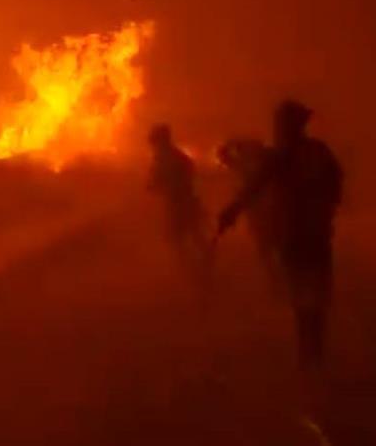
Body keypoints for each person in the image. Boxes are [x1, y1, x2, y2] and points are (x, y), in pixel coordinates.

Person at [219, 100, 343, 369]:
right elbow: (336, 184)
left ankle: (308, 355)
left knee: (302, 295)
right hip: (317, 234)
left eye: (280, 123)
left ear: (288, 126)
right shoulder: (319, 150)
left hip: (295, 234)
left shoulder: (282, 156)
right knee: (316, 293)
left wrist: (231, 211)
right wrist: (325, 210)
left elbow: (254, 186)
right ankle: (315, 352)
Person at [147, 124, 212, 284]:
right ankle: (204, 269)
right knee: (194, 237)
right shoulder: (179, 156)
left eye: (154, 142)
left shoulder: (165, 159)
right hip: (187, 202)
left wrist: (157, 184)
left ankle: (196, 274)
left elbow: (155, 182)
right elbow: (189, 173)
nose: (153, 147)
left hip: (178, 204)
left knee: (179, 240)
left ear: (160, 141)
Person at [217, 137, 282, 295]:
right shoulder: (262, 163)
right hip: (265, 210)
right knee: (270, 247)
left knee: (269, 247)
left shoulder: (251, 165)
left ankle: (278, 281)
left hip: (265, 210)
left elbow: (223, 155)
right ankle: (277, 280)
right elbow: (223, 155)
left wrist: (232, 143)